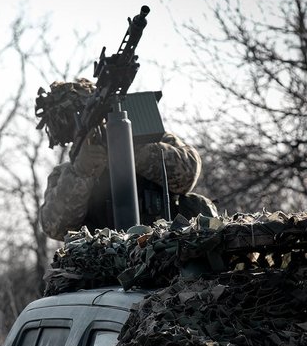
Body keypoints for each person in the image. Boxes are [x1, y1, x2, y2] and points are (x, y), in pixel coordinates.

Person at [36, 78, 217, 240]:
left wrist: (132, 149)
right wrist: (82, 173)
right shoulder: (66, 175)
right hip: (111, 267)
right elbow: (55, 228)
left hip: (170, 250)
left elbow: (188, 175)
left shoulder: (150, 141)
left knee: (197, 205)